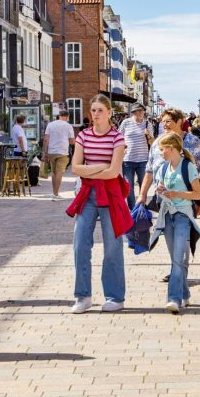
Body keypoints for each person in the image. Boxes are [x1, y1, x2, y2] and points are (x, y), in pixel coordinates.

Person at [66, 95, 128, 314]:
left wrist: (91, 169)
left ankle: (115, 296)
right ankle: (83, 296)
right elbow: (75, 167)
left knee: (112, 246)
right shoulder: (83, 135)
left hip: (110, 195)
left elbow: (114, 172)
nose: (95, 114)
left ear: (109, 112)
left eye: (100, 110)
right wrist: (102, 166)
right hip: (87, 194)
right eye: (93, 110)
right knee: (80, 244)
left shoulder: (117, 138)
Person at [143, 132, 200, 314]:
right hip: (167, 215)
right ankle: (184, 293)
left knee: (178, 258)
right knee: (176, 259)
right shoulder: (162, 168)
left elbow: (198, 194)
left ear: (171, 148)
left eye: (162, 150)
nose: (160, 153)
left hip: (183, 216)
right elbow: (161, 191)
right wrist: (161, 190)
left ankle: (173, 299)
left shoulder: (188, 167)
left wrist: (176, 194)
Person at [118, 104, 152, 207]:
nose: (141, 113)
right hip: (128, 160)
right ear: (134, 112)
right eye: (138, 111)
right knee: (129, 187)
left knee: (143, 186)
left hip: (143, 160)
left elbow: (152, 142)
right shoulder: (126, 122)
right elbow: (119, 137)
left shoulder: (147, 124)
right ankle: (132, 210)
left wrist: (148, 135)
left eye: (142, 111)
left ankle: (141, 208)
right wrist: (122, 147)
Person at [43, 110, 76, 199]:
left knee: (54, 172)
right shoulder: (68, 126)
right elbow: (72, 141)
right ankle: (56, 194)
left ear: (59, 116)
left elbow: (46, 139)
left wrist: (44, 152)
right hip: (63, 152)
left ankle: (54, 192)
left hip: (51, 151)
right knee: (59, 173)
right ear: (67, 116)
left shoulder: (50, 124)